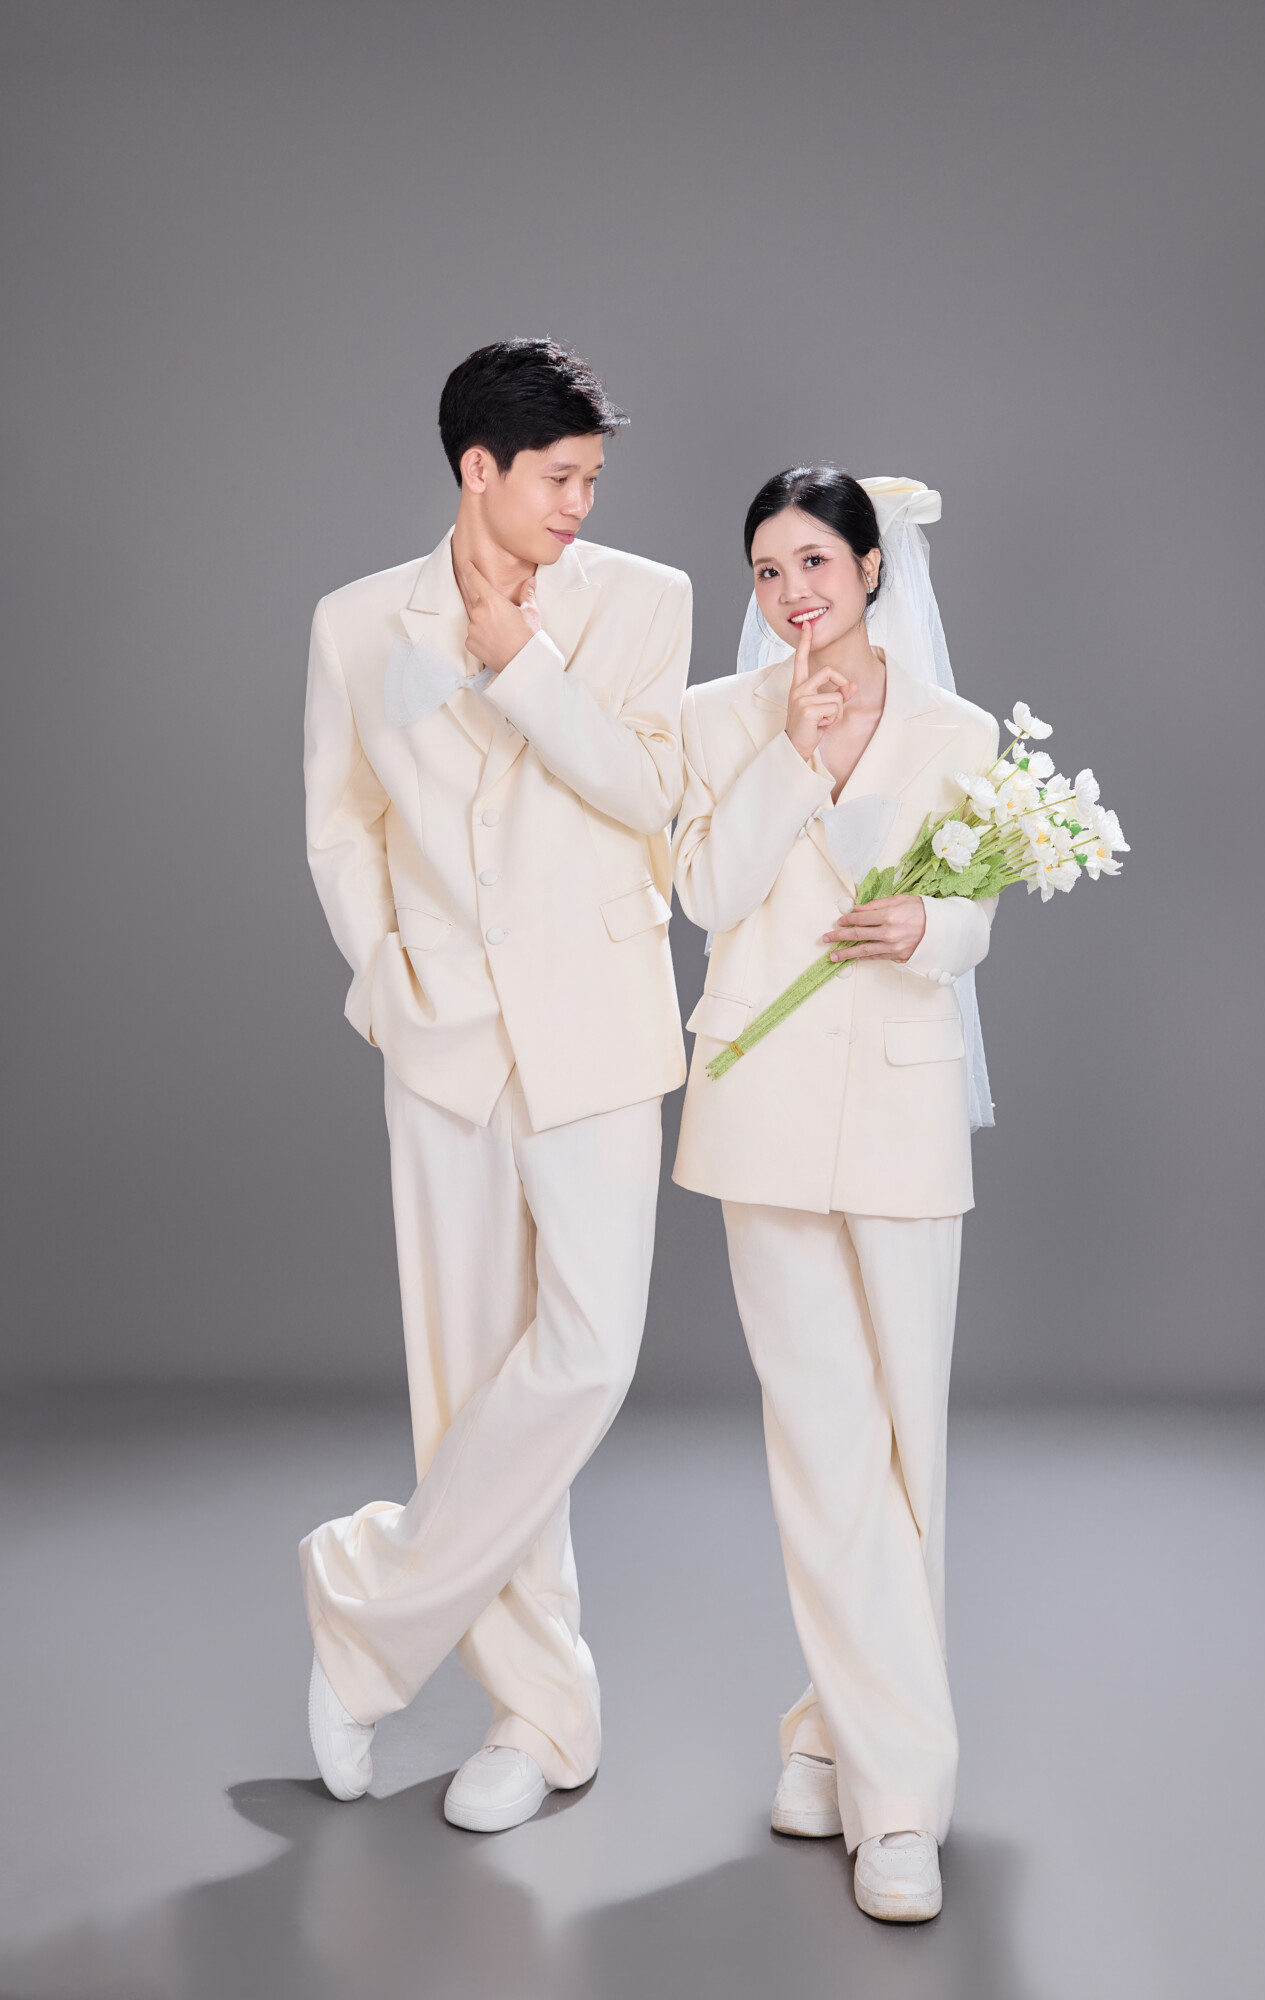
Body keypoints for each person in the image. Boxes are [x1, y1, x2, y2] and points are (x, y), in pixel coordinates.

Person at [300, 338, 691, 1832]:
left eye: (592, 480)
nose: (582, 505)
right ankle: (540, 1717)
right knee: (466, 1381)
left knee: (585, 1355)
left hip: (598, 1028)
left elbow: (648, 793)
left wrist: (519, 660)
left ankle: (366, 1606)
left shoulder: (643, 603)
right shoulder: (355, 623)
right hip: (443, 1038)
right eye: (560, 479)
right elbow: (339, 824)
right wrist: (387, 974)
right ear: (480, 469)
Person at [671, 467, 998, 1922]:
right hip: (762, 1110)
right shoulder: (718, 718)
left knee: (903, 1448)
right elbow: (704, 895)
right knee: (818, 1445)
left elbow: (975, 913)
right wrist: (789, 759)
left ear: (871, 567)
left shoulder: (957, 731)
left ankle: (832, 1738)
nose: (791, 591)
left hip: (904, 1110)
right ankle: (898, 1801)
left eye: (814, 560)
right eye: (766, 569)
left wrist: (932, 923)